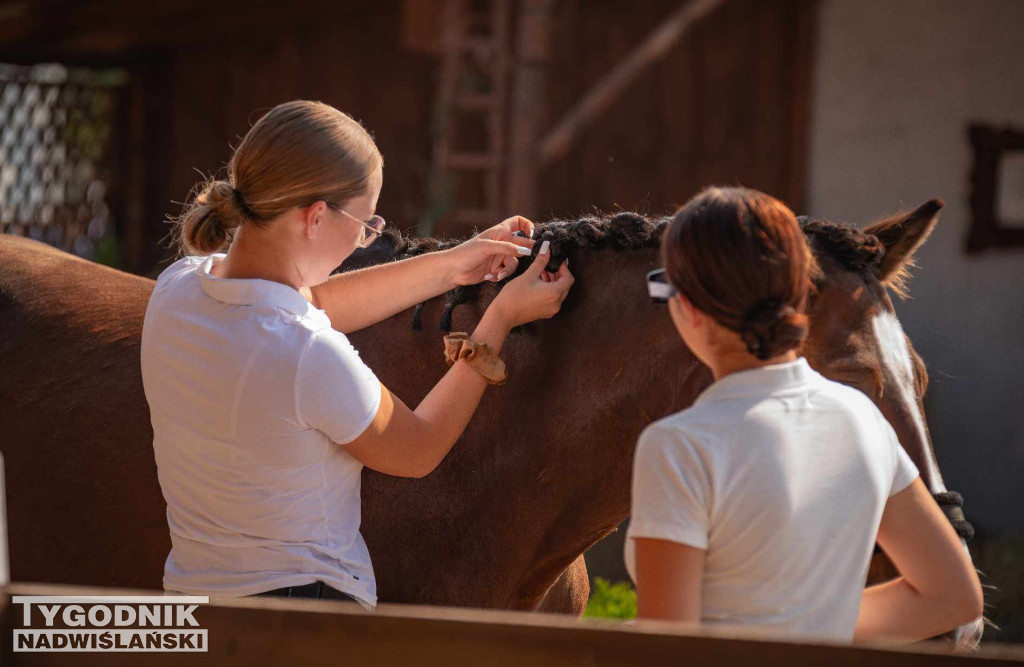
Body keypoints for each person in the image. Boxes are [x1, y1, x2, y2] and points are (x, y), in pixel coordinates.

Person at [141, 100, 573, 607]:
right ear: (316, 216)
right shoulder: (306, 351)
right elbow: (418, 448)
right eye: (367, 223)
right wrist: (498, 319)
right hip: (308, 619)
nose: (365, 238)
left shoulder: (178, 288)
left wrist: (455, 264)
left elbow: (311, 302)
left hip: (196, 605)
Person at [625, 186, 981, 643]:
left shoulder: (678, 446)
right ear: (801, 292)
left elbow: (667, 651)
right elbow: (953, 599)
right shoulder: (864, 418)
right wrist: (806, 623)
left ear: (688, 306)